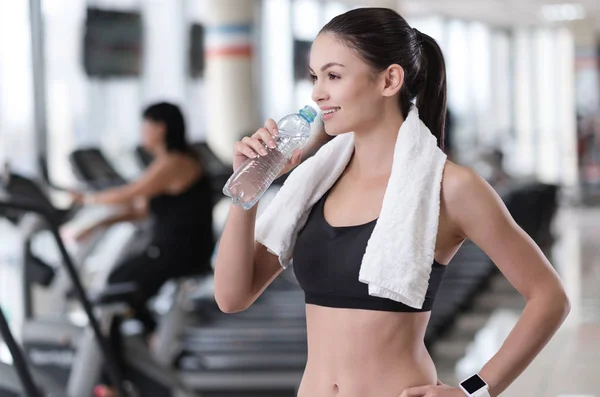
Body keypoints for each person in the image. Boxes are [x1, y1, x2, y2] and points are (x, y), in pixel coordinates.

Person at [214, 7, 569, 397]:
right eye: (315, 77)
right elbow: (232, 297)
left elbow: (549, 297)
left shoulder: (450, 187)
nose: (316, 92)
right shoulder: (314, 184)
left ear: (390, 80)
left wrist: (475, 392)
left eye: (333, 75)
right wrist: (246, 186)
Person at [72, 102, 215, 336]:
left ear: (160, 128)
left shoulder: (174, 162)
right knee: (120, 280)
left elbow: (129, 193)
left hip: (180, 252)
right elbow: (141, 211)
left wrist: (85, 199)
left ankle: (145, 341)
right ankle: (147, 339)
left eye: (145, 125)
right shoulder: (175, 161)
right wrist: (97, 225)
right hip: (176, 249)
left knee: (120, 282)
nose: (142, 131)